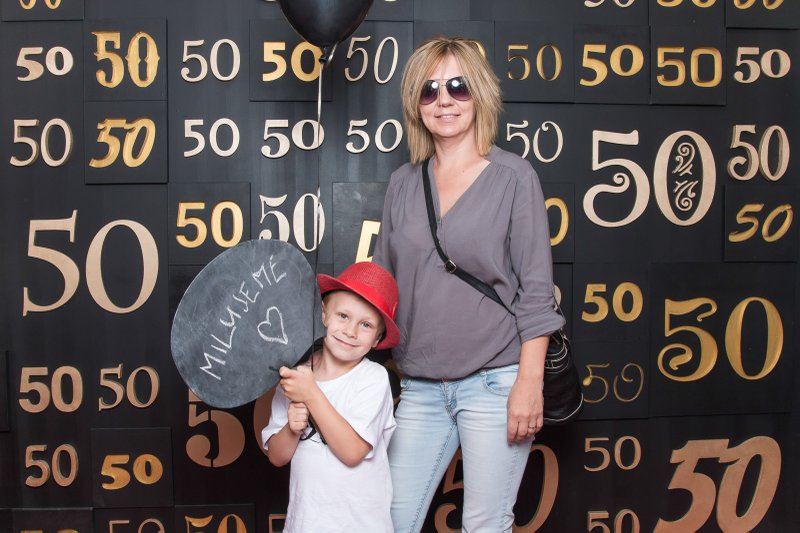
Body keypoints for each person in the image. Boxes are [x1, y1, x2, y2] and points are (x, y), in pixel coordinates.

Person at [372, 37, 565, 532]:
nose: (444, 100)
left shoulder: (514, 177)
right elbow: (381, 287)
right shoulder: (402, 183)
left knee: (484, 524)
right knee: (389, 520)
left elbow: (536, 294)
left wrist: (529, 383)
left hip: (495, 383)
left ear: (479, 94)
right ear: (416, 104)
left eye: (458, 86)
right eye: (430, 90)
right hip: (419, 385)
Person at [262, 262, 400, 532]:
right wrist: (291, 429)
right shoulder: (295, 376)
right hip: (305, 524)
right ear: (324, 315)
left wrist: (311, 394)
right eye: (343, 316)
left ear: (377, 338)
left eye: (366, 324)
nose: (351, 331)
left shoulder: (372, 378)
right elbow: (277, 458)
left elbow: (352, 452)